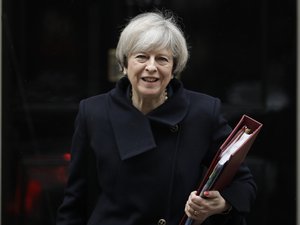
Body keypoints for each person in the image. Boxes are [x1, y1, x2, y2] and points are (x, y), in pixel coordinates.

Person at [56, 10, 256, 225]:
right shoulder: (93, 113)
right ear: (124, 64)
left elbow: (243, 183)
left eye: (162, 59)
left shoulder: (203, 112)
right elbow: (75, 201)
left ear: (174, 68)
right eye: (141, 56)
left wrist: (221, 204)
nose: (151, 67)